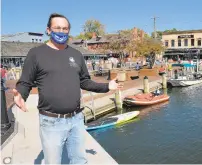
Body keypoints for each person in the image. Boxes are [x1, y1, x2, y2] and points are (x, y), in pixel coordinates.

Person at [13, 13, 123, 164]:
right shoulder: (36, 53)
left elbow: (85, 81)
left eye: (65, 28)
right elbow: (25, 81)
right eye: (57, 28)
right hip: (51, 121)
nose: (61, 31)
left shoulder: (76, 54)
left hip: (76, 119)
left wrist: (107, 86)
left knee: (79, 160)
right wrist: (21, 94)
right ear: (48, 30)